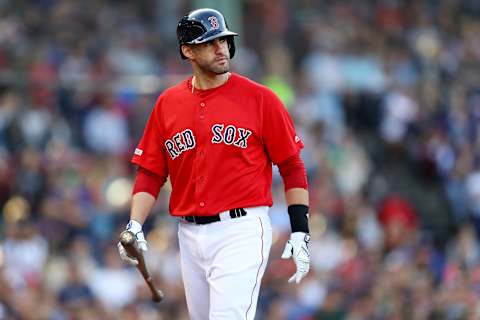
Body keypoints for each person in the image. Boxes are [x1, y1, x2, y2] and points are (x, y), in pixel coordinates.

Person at [117, 8, 310, 320]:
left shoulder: (261, 98)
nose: (221, 48)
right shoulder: (168, 103)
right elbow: (151, 172)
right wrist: (135, 224)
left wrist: (300, 230)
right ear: (188, 50)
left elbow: (292, 166)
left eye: (223, 40)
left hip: (241, 229)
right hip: (189, 233)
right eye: (209, 43)